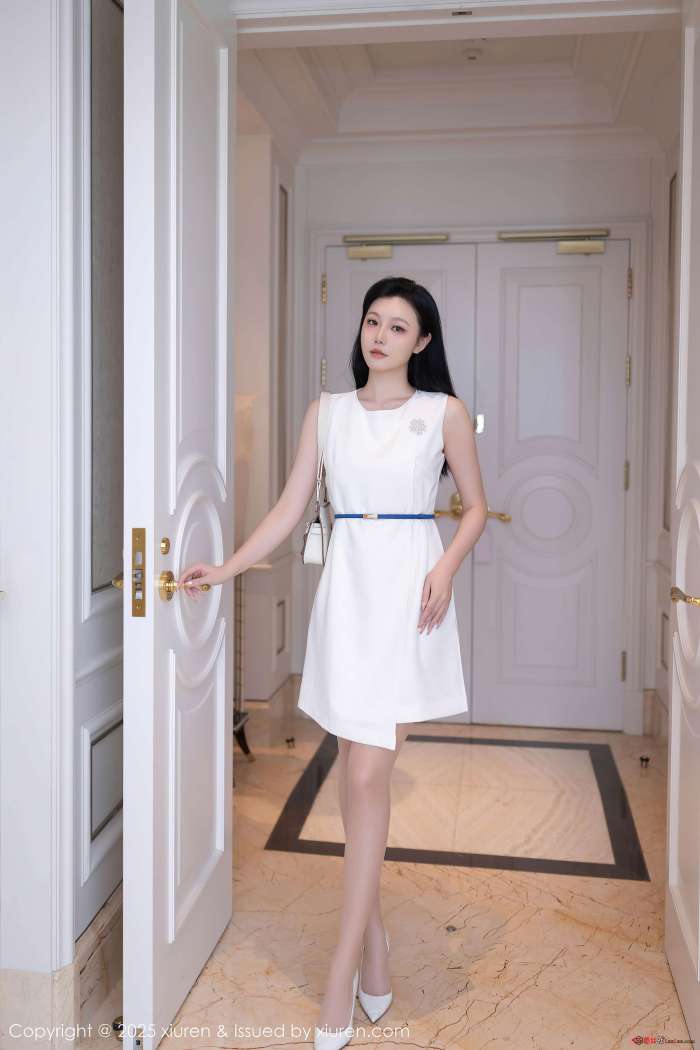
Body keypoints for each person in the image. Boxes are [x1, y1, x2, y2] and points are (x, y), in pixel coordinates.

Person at [178, 275, 488, 1050]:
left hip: (410, 595)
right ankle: (374, 946)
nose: (380, 335)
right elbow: (291, 506)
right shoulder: (328, 412)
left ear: (422, 341)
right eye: (372, 321)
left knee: (366, 776)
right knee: (354, 775)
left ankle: (340, 971)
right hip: (348, 595)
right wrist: (227, 567)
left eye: (398, 326)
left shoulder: (442, 413)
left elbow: (477, 506)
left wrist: (446, 567)